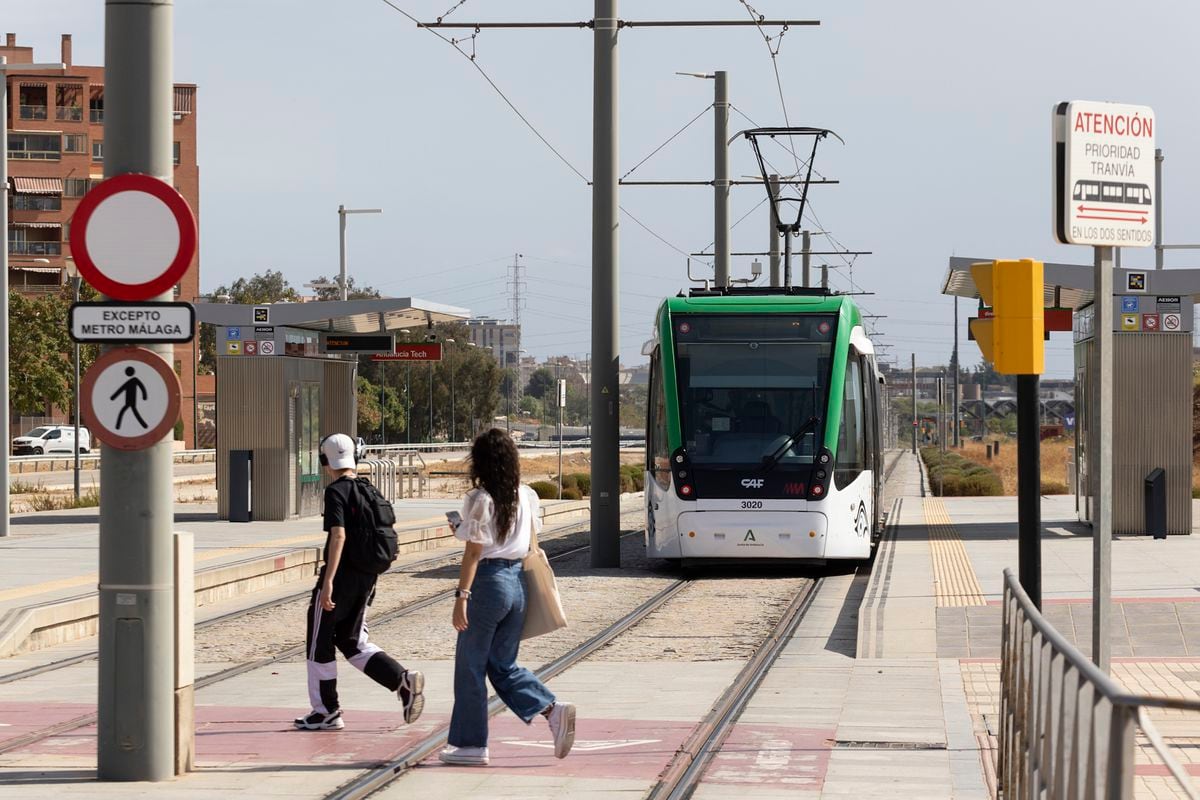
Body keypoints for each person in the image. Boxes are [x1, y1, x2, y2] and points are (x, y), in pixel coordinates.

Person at [439, 428, 575, 766]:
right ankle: (552, 710)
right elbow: (523, 539)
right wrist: (466, 530)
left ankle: (471, 745)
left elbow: (474, 553)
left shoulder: (480, 498)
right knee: (502, 665)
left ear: (481, 461)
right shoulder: (526, 495)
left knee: (470, 666)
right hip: (518, 584)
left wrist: (461, 596)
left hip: (488, 583)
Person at [294, 433, 425, 731]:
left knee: (318, 642)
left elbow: (338, 535)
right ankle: (400, 679)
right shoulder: (370, 490)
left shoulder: (336, 492)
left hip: (341, 577)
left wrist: (328, 582)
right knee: (351, 640)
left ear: (325, 461)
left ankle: (326, 710)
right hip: (367, 577)